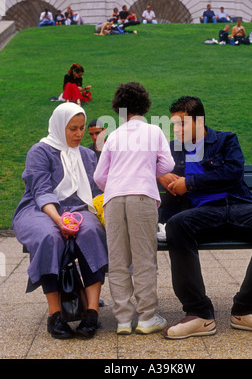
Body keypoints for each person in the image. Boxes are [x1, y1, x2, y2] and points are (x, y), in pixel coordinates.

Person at [157, 96, 252, 339]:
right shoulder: (173, 148)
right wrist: (161, 175)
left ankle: (247, 309)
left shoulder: (226, 140)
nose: (177, 130)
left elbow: (233, 172)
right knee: (177, 225)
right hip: (201, 214)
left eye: (183, 124)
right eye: (174, 124)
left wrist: (190, 182)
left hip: (238, 206)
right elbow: (152, 165)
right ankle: (198, 314)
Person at [12, 103, 108, 339]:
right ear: (58, 126)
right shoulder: (40, 151)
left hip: (78, 208)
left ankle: (92, 313)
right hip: (39, 210)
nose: (79, 134)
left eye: (82, 128)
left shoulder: (86, 155)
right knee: (49, 236)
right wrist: (59, 220)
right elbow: (41, 192)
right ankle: (55, 314)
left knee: (91, 231)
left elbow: (96, 192)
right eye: (72, 128)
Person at [94, 82, 175, 335]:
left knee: (117, 260)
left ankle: (122, 320)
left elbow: (99, 176)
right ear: (145, 105)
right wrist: (147, 173)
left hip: (113, 199)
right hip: (143, 197)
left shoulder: (113, 136)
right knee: (144, 260)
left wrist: (119, 182)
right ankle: (147, 317)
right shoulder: (154, 131)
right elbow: (168, 164)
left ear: (119, 108)